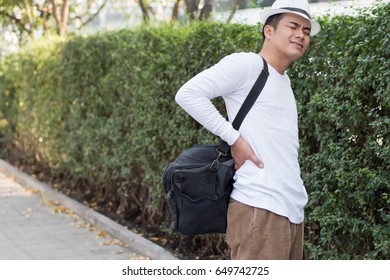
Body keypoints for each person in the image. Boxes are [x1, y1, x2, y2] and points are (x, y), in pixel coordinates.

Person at [175, 0, 321, 260]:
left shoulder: (284, 80)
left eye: (307, 31)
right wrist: (234, 139)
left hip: (291, 210)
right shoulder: (248, 65)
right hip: (260, 208)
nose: (301, 34)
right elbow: (188, 94)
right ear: (269, 31)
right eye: (293, 26)